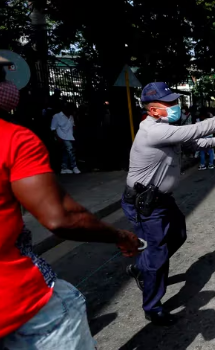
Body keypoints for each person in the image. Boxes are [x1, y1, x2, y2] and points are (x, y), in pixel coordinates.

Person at [0, 76, 140, 350]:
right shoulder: (13, 138)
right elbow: (61, 216)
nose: (9, 86)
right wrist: (120, 235)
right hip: (21, 302)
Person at [122, 82, 215, 326]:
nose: (175, 106)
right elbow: (195, 130)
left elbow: (195, 143)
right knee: (156, 254)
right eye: (169, 103)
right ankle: (152, 306)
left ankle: (142, 267)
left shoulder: (167, 128)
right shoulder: (152, 131)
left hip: (162, 200)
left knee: (178, 235)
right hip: (146, 203)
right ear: (154, 110)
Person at [51, 102, 81, 174]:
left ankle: (64, 167)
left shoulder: (71, 117)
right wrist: (57, 137)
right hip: (62, 136)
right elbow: (53, 128)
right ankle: (74, 166)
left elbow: (73, 126)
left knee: (66, 152)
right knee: (70, 150)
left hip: (70, 136)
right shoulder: (57, 116)